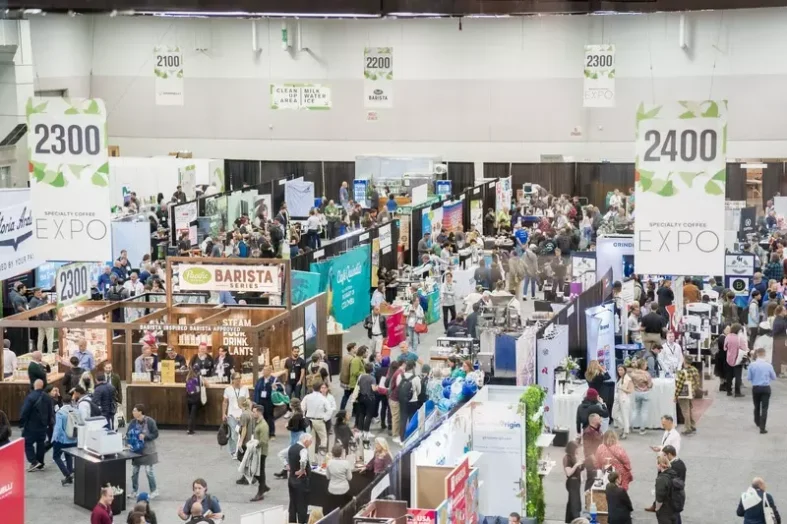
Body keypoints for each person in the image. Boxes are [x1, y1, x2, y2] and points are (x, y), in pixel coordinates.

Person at [127, 404, 159, 499]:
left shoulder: (150, 421)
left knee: (149, 471)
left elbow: (155, 434)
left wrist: (145, 436)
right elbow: (128, 434)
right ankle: (134, 491)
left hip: (148, 451)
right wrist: (128, 443)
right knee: (134, 472)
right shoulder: (133, 422)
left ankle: (154, 490)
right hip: (136, 451)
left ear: (140, 412)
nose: (133, 412)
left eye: (135, 410)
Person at [20, 379, 52, 471]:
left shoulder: (31, 397)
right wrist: (48, 423)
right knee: (40, 444)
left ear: (34, 386)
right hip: (43, 425)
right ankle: (40, 463)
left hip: (31, 425)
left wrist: (22, 423)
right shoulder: (47, 397)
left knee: (27, 443)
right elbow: (50, 412)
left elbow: (25, 411)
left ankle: (34, 461)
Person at [748, 347, 777, 434]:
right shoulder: (769, 365)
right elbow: (774, 377)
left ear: (757, 354)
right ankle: (762, 428)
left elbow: (749, 378)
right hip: (766, 388)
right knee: (764, 408)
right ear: (764, 354)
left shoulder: (752, 365)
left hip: (756, 388)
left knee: (756, 406)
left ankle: (757, 421)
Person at [222, 373, 250, 459]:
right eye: (237, 379)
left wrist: (248, 411)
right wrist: (223, 413)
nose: (238, 380)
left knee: (243, 433)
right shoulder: (228, 389)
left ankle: (241, 450)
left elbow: (248, 401)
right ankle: (234, 451)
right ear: (232, 380)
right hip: (231, 415)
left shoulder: (245, 389)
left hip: (242, 414)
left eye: (239, 378)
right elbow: (225, 402)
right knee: (233, 433)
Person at [288, 433, 313, 524]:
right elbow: (303, 460)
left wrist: (286, 464)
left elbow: (281, 454)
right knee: (302, 503)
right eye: (310, 441)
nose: (310, 443)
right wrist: (302, 469)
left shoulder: (291, 447)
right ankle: (302, 522)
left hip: (291, 479)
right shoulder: (303, 450)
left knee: (292, 503)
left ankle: (292, 521)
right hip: (300, 481)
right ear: (305, 441)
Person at [302, 382, 330, 464]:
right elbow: (329, 410)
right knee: (323, 438)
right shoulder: (323, 398)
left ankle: (311, 459)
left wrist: (303, 417)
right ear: (320, 388)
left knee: (311, 439)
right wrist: (325, 418)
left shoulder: (307, 397)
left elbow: (302, 407)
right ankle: (322, 457)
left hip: (309, 420)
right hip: (319, 420)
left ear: (312, 388)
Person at [395, 360, 421, 443]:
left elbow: (398, 387)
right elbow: (419, 391)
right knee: (412, 419)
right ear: (413, 367)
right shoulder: (416, 378)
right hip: (413, 401)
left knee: (403, 419)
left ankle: (402, 439)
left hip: (402, 400)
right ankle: (411, 438)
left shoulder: (400, 376)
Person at [250, 403, 271, 502]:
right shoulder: (258, 422)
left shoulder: (263, 425)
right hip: (257, 451)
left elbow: (263, 441)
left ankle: (260, 492)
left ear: (259, 412)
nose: (253, 413)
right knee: (256, 470)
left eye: (254, 412)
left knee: (260, 471)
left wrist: (253, 446)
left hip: (261, 452)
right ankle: (264, 486)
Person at [673, 357, 700, 435]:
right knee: (689, 409)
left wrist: (676, 396)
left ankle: (687, 428)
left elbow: (679, 385)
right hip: (691, 392)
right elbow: (697, 382)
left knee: (685, 411)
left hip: (684, 394)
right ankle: (692, 425)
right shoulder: (694, 370)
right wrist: (693, 389)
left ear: (684, 361)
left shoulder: (682, 372)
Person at [654, 454, 682, 524]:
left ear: (660, 465)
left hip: (665, 511)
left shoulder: (661, 479)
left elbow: (659, 498)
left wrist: (657, 509)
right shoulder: (673, 474)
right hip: (674, 509)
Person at [325, 444, 353, 513]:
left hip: (332, 489)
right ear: (341, 453)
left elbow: (328, 477)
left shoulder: (329, 462)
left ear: (332, 453)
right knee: (343, 509)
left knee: (334, 509)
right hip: (343, 490)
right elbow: (349, 478)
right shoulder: (346, 463)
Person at [355, 362, 378, 441]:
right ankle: (366, 431)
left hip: (361, 397)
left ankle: (360, 430)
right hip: (370, 398)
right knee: (369, 415)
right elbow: (373, 389)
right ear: (372, 369)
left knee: (362, 414)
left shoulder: (361, 376)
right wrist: (377, 387)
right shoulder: (372, 378)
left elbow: (358, 386)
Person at [253, 365, 277, 439]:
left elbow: (280, 388)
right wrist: (255, 402)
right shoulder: (260, 380)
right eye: (263, 370)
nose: (264, 371)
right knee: (261, 416)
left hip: (269, 400)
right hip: (261, 400)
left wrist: (275, 387)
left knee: (269, 417)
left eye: (265, 370)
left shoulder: (274, 379)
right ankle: (263, 432)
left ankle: (271, 433)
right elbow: (256, 390)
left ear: (270, 371)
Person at [563, 440, 583, 523]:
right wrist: (576, 465)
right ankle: (576, 520)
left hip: (577, 481)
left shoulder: (574, 456)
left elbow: (579, 469)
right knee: (575, 502)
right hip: (572, 482)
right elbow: (568, 473)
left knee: (572, 501)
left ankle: (569, 519)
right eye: (576, 449)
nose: (578, 450)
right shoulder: (567, 458)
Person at [725, 323, 747, 397]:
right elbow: (744, 348)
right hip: (738, 359)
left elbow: (725, 347)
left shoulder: (728, 336)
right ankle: (737, 392)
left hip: (729, 358)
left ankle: (728, 391)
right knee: (738, 376)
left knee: (729, 375)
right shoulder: (739, 338)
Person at [613, 365, 633, 439]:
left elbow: (630, 390)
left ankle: (625, 431)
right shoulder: (619, 378)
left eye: (621, 370)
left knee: (625, 416)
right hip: (617, 398)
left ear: (624, 370)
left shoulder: (628, 379)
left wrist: (622, 389)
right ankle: (623, 427)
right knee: (614, 414)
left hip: (624, 398)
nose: (620, 371)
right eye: (619, 370)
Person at [339, 343, 357, 410]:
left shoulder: (345, 357)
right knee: (356, 397)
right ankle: (355, 412)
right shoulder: (352, 359)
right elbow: (353, 371)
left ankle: (341, 410)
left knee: (345, 396)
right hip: (350, 381)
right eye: (355, 347)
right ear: (352, 348)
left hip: (344, 380)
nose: (357, 349)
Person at [185, 368, 202, 435]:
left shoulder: (187, 379)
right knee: (193, 415)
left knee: (190, 414)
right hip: (195, 399)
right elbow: (203, 386)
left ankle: (190, 428)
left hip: (189, 399)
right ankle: (190, 429)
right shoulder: (197, 379)